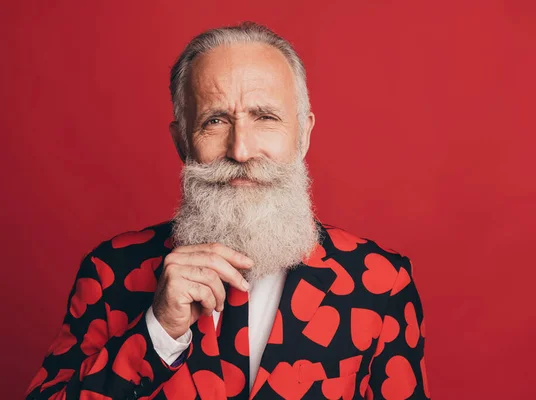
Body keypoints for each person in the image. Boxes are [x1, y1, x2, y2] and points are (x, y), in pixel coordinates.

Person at [25, 21, 429, 400]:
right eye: (215, 121)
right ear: (182, 141)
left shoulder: (379, 283)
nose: (241, 150)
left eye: (265, 117)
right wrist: (158, 330)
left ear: (303, 134)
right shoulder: (110, 271)